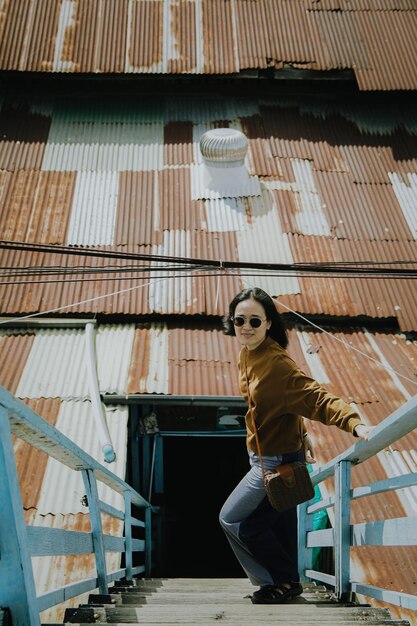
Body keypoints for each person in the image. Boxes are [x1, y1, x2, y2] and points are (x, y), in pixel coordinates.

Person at [219, 287, 374, 605]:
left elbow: (315, 398)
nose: (246, 327)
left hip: (272, 461)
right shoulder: (247, 354)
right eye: (239, 320)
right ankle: (282, 582)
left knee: (232, 519)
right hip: (270, 454)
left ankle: (275, 581)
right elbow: (280, 405)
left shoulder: (277, 365)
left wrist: (354, 423)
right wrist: (302, 435)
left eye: (254, 321)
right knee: (264, 524)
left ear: (268, 324)